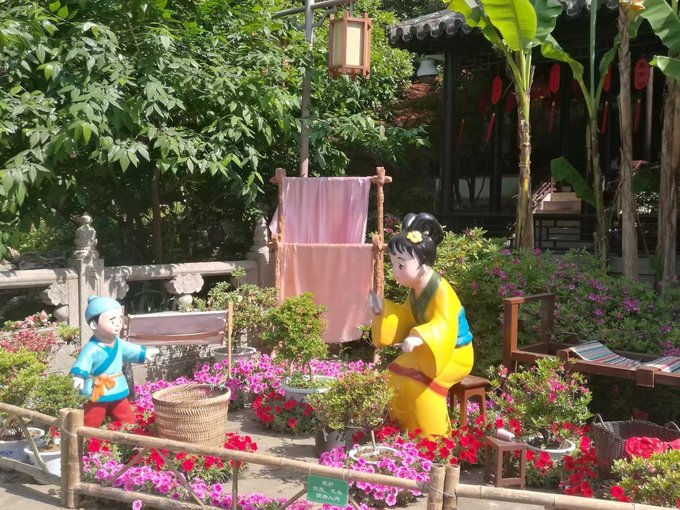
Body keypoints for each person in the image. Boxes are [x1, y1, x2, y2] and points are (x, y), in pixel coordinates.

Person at [369, 213, 474, 437]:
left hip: (454, 353)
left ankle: (433, 441)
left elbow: (444, 326)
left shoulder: (441, 291)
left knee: (419, 385)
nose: (395, 271)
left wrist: (419, 336)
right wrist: (383, 309)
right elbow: (405, 315)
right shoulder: (416, 291)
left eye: (401, 264)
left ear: (424, 265)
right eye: (394, 264)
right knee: (392, 374)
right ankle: (402, 430)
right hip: (428, 351)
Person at [70, 296, 155, 428]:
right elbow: (83, 362)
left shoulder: (118, 343)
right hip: (97, 389)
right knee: (92, 419)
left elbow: (130, 350)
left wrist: (144, 353)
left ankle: (128, 435)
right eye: (112, 320)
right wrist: (79, 376)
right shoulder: (91, 348)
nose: (117, 323)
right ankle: (86, 437)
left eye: (119, 319)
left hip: (117, 386)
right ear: (94, 324)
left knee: (125, 417)